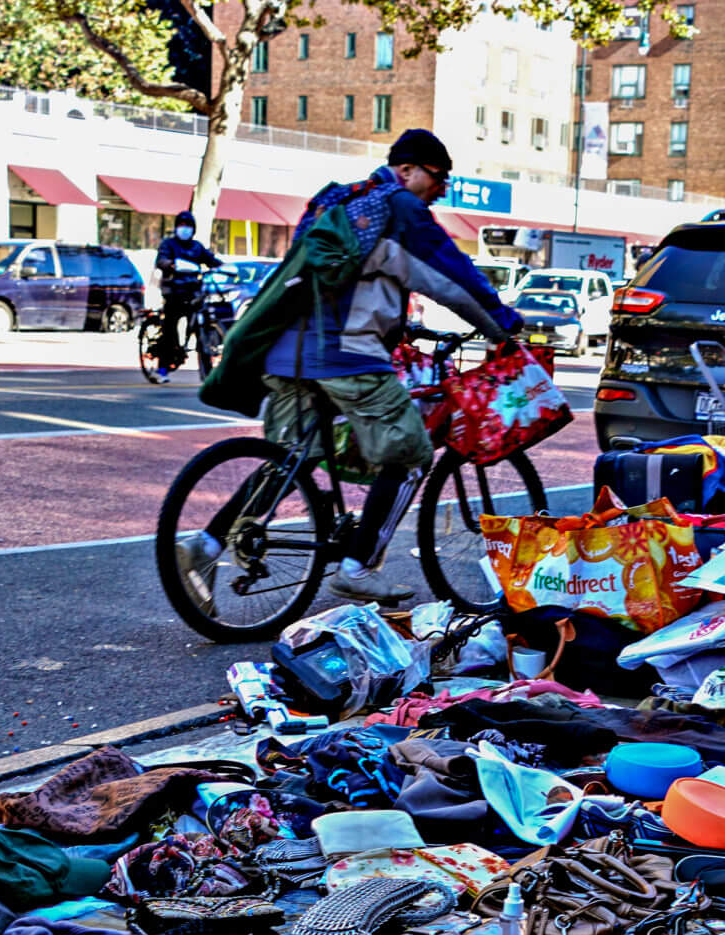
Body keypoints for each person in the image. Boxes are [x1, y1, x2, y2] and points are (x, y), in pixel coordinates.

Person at [178, 129, 521, 607]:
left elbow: (343, 284)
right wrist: (505, 326)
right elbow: (454, 276)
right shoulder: (399, 208)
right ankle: (359, 567)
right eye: (437, 177)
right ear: (406, 170)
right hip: (344, 357)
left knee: (291, 459)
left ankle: (206, 545)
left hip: (286, 354)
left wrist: (398, 328)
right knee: (409, 454)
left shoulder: (341, 201)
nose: (441, 189)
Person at [152, 210, 222, 369]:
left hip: (194, 293)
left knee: (199, 325)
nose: (184, 229)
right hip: (173, 293)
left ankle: (205, 365)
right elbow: (161, 260)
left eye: (188, 225)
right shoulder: (168, 244)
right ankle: (163, 366)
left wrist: (225, 267)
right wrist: (169, 264)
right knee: (169, 328)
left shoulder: (197, 247)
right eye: (181, 225)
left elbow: (211, 260)